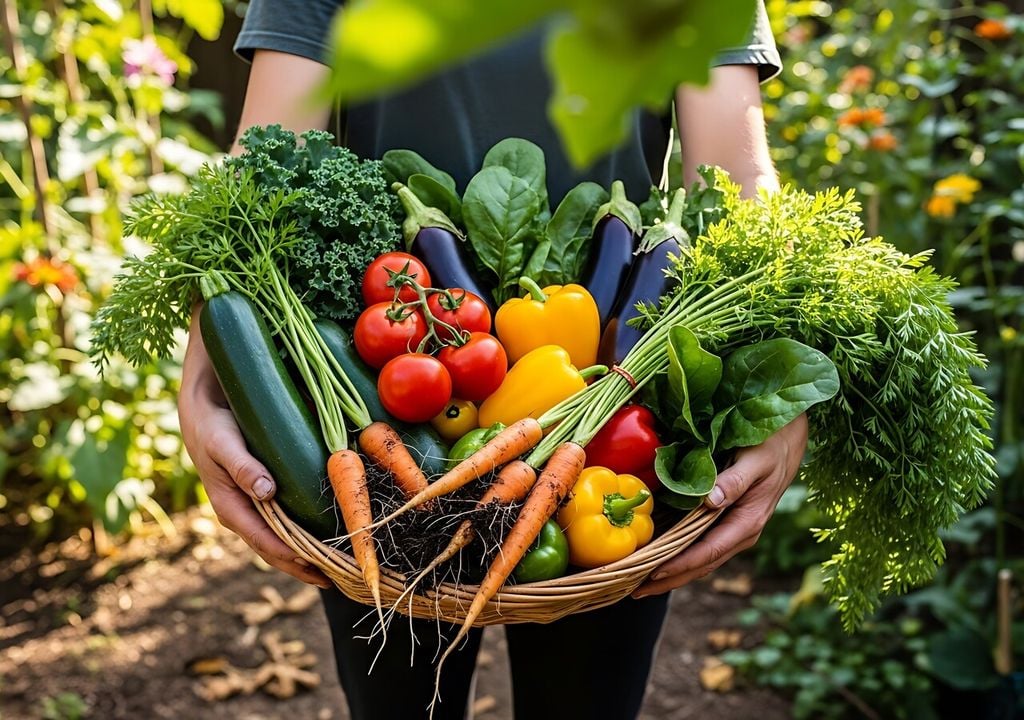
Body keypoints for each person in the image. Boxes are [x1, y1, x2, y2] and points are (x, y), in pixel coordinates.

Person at [178, 2, 807, 718]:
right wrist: (204, 380)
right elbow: (267, 167)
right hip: (376, 404)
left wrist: (784, 409)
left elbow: (733, 179)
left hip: (617, 410)